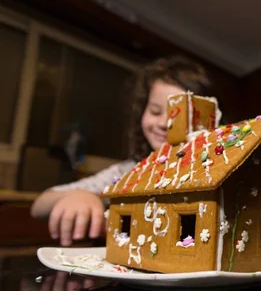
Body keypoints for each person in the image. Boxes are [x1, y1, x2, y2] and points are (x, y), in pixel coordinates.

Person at [31, 55, 221, 247]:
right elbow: (40, 204)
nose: (164, 123)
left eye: (178, 115)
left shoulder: (213, 169)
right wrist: (84, 196)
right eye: (155, 112)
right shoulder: (128, 172)